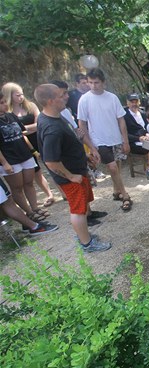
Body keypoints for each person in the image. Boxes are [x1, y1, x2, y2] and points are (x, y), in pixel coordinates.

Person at [35, 83, 111, 252]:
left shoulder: (55, 116)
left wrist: (84, 157)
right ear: (50, 101)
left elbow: (68, 146)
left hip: (76, 170)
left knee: (82, 207)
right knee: (78, 210)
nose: (66, 97)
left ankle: (85, 236)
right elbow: (51, 161)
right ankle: (87, 243)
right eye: (61, 95)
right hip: (70, 177)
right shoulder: (51, 128)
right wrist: (70, 176)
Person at [77, 68, 133, 212]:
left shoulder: (112, 98)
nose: (93, 86)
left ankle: (116, 191)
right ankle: (125, 196)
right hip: (98, 140)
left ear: (103, 82)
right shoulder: (84, 99)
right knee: (112, 167)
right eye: (90, 83)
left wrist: (125, 140)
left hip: (115, 138)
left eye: (96, 82)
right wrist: (91, 146)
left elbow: (121, 120)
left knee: (117, 166)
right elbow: (81, 125)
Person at [2, 82, 56, 207]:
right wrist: (5, 162)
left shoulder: (23, 110)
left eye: (22, 94)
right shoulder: (9, 114)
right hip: (17, 151)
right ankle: (35, 206)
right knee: (25, 181)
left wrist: (32, 149)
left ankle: (39, 205)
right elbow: (23, 131)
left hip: (32, 146)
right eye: (17, 95)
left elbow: (27, 130)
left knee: (37, 176)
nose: (21, 97)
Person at [0, 92, 47, 222]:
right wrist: (4, 163)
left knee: (29, 183)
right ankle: (29, 212)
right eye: (1, 103)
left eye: (4, 102)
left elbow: (22, 134)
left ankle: (35, 208)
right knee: (17, 187)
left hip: (24, 155)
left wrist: (32, 150)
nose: (4, 105)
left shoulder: (10, 116)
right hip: (10, 160)